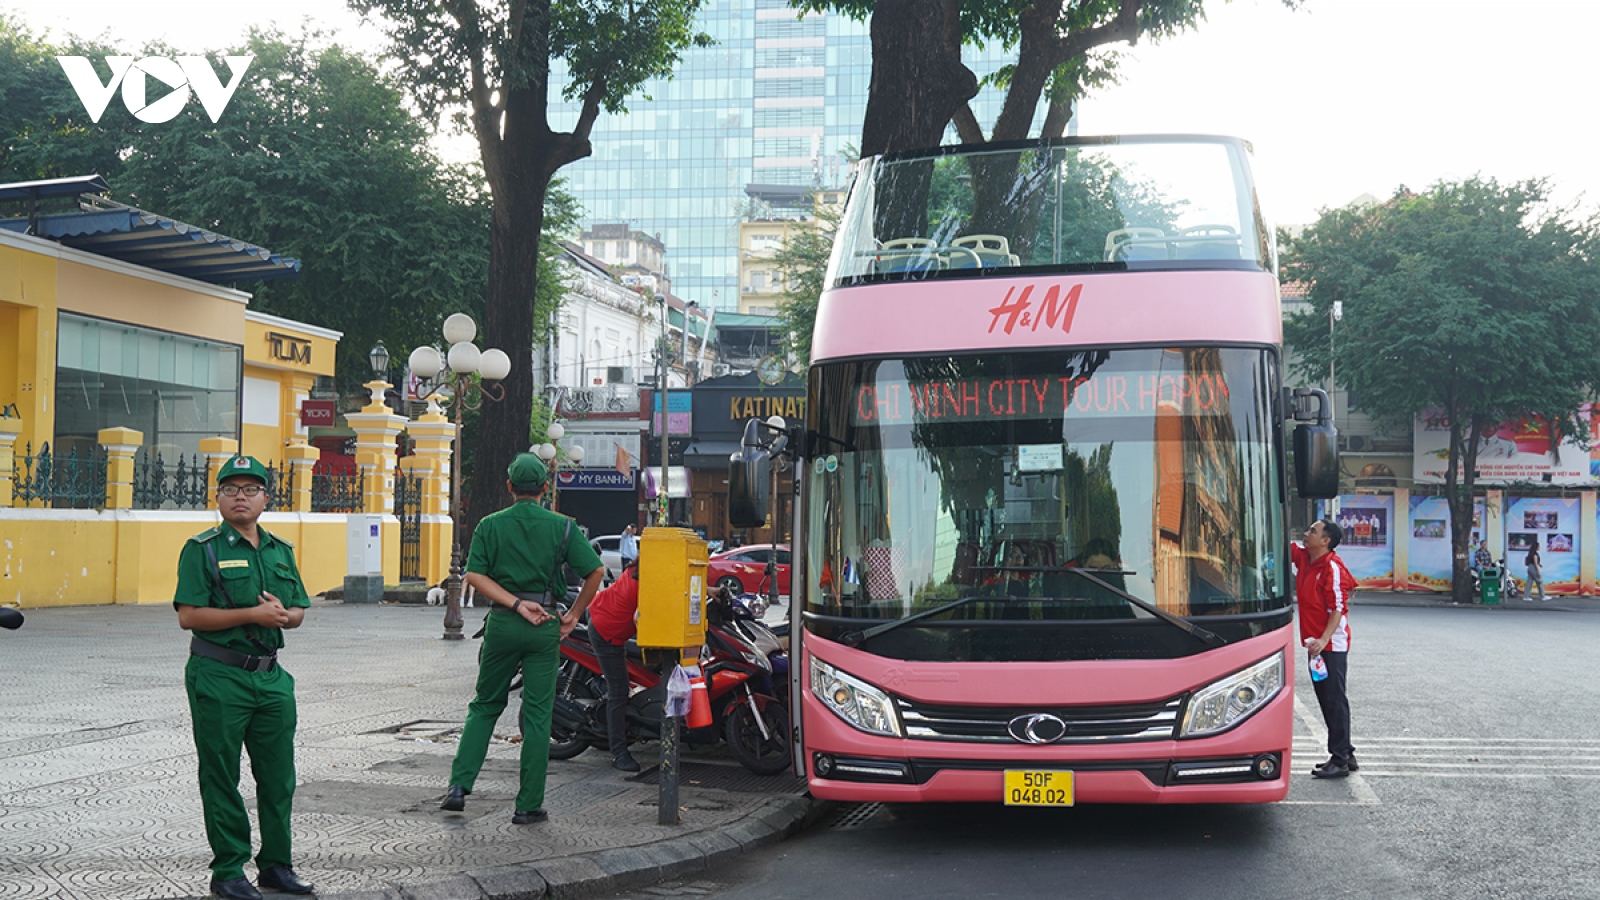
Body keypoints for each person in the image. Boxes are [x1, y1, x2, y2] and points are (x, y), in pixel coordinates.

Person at [173, 455, 314, 900]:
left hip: (271, 678)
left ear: (265, 498)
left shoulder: (280, 550)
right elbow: (189, 616)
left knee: (278, 777)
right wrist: (253, 613)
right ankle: (228, 870)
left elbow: (297, 610)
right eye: (231, 489)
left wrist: (285, 618)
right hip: (219, 673)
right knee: (221, 774)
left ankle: (276, 865)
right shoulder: (204, 549)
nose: (240, 497)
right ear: (217, 497)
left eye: (250, 489)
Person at [441, 453, 605, 824]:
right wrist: (574, 614)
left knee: (485, 705)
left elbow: (476, 576)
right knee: (537, 715)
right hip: (545, 623)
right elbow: (595, 571)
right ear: (545, 488)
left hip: (502, 621)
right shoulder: (563, 527)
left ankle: (458, 787)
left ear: (510, 486)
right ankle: (528, 805)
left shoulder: (489, 525)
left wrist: (515, 604)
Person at [1293, 519, 1357, 779]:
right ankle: (1346, 753)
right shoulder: (1306, 559)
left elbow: (1338, 609)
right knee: (1327, 699)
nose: (1306, 534)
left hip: (1330, 645)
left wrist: (1322, 639)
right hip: (1315, 646)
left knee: (1334, 699)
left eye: (1312, 531)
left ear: (1325, 541)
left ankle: (1340, 758)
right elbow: (1284, 545)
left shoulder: (1332, 568)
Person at [586, 560, 644, 771]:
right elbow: (640, 617)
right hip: (606, 632)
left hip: (601, 610)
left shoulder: (641, 566)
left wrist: (709, 591)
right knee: (619, 690)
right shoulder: (648, 579)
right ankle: (619, 753)